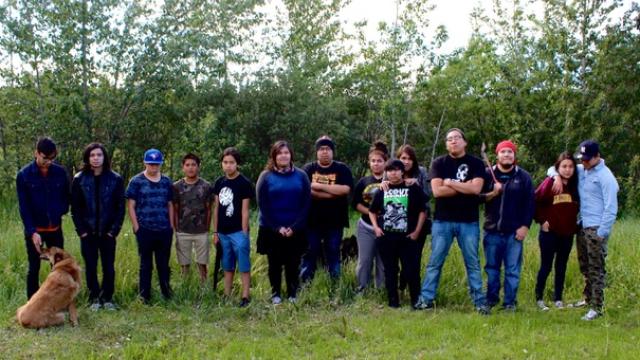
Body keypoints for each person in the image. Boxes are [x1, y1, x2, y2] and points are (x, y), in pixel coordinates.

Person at [415, 128, 490, 314]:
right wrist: (466, 187)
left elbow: (476, 189)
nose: (453, 141)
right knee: (435, 262)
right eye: (449, 139)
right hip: (443, 221)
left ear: (464, 142)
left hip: (469, 221)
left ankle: (479, 302)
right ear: (446, 144)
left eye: (457, 138)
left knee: (472, 263)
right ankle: (426, 299)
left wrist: (450, 183)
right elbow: (438, 192)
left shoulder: (476, 163)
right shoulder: (439, 163)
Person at [550, 140, 618, 320]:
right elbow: (553, 169)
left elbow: (611, 208)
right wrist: (557, 176)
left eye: (587, 159)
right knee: (585, 265)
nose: (584, 162)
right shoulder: (581, 171)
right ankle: (588, 299)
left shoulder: (606, 177)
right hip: (582, 225)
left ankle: (597, 306)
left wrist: (602, 233)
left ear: (597, 157)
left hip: (596, 227)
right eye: (582, 159)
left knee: (596, 267)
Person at [479, 140, 534, 311]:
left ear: (514, 156)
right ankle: (491, 300)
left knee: (512, 271)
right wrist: (493, 193)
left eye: (510, 152)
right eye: (503, 152)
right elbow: (478, 197)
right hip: (492, 231)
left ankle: (510, 303)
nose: (507, 155)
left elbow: (530, 204)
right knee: (492, 269)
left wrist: (525, 226)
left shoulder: (523, 177)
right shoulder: (487, 174)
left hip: (514, 232)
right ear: (497, 155)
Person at [71, 143, 125, 310]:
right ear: (87, 158)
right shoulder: (79, 179)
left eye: (99, 155)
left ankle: (107, 298)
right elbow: (75, 208)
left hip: (108, 232)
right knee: (91, 267)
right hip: (88, 233)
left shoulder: (115, 179)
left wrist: (114, 231)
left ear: (104, 157)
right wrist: (82, 231)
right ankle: (94, 298)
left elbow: (120, 207)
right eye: (92, 155)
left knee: (109, 267)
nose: (96, 158)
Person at [256, 141, 311, 304]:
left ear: (291, 155)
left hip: (296, 228)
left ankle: (293, 294)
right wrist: (277, 227)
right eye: (279, 153)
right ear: (274, 156)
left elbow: (306, 203)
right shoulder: (265, 177)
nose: (283, 156)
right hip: (271, 228)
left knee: (293, 263)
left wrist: (294, 227)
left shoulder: (301, 176)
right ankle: (276, 295)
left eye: (286, 152)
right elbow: (262, 205)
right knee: (274, 263)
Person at [17, 137, 70, 299]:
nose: (48, 162)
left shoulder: (60, 173)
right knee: (34, 267)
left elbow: (66, 197)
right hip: (35, 231)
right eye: (45, 158)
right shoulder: (24, 175)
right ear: (36, 153)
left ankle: (58, 300)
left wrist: (59, 211)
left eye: (52, 158)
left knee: (59, 267)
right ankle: (32, 304)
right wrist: (32, 231)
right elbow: (23, 207)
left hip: (55, 229)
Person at [369, 159, 426, 308]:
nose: (392, 173)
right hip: (387, 237)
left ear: (402, 171)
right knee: (390, 270)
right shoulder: (382, 189)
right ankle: (393, 302)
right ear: (386, 173)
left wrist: (417, 231)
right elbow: (372, 211)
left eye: (396, 170)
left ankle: (416, 300)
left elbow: (423, 211)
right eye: (389, 170)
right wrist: (376, 228)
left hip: (408, 237)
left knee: (411, 269)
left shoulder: (412, 187)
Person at [301, 136, 354, 282]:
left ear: (333, 151)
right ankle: (305, 286)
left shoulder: (342, 169)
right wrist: (332, 192)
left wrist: (318, 186)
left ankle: (335, 286)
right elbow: (305, 190)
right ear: (317, 152)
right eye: (321, 149)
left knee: (333, 253)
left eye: (328, 149)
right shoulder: (308, 168)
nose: (325, 152)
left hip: (335, 222)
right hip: (312, 222)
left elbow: (345, 190)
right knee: (309, 253)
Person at [126, 148, 174, 303]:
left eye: (157, 164)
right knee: (145, 264)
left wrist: (171, 226)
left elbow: (170, 204)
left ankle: (166, 293)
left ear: (161, 164)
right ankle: (144, 296)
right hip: (145, 229)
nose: (154, 167)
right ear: (145, 163)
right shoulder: (136, 181)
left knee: (163, 264)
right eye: (151, 164)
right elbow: (131, 205)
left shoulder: (166, 181)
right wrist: (136, 227)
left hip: (163, 229)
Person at [534, 152, 579, 311]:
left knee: (561, 266)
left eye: (570, 166)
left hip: (567, 233)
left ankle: (558, 298)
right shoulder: (550, 182)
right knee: (546, 266)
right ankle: (539, 298)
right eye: (564, 166)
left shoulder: (575, 185)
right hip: (549, 232)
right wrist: (541, 220)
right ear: (557, 167)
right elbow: (535, 200)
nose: (567, 170)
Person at [212, 147, 254, 307]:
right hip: (222, 232)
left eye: (231, 162)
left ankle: (245, 296)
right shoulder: (219, 182)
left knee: (243, 265)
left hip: (238, 231)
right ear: (222, 164)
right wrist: (215, 231)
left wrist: (244, 233)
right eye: (225, 162)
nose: (228, 165)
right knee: (227, 265)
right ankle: (226, 294)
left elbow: (245, 210)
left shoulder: (244, 183)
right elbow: (216, 208)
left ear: (237, 164)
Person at [352, 141, 388, 292]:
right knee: (364, 260)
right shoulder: (363, 182)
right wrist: (371, 212)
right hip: (366, 227)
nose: (376, 164)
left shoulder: (390, 181)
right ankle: (361, 288)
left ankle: (381, 290)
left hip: (385, 227)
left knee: (383, 261)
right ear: (369, 163)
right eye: (373, 161)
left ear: (385, 162)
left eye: (379, 161)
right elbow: (355, 204)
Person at [395, 144, 432, 288]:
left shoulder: (421, 172)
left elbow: (428, 196)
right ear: (398, 158)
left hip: (419, 222)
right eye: (403, 158)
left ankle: (414, 291)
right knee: (400, 258)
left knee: (415, 258)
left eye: (410, 158)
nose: (406, 161)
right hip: (397, 222)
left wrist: (416, 185)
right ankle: (400, 287)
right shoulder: (391, 171)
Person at [172, 153, 212, 284]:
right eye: (187, 165)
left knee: (202, 264)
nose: (191, 168)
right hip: (183, 230)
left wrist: (207, 228)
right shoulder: (176, 187)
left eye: (193, 165)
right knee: (184, 265)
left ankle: (203, 289)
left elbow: (209, 208)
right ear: (183, 167)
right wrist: (176, 228)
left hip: (201, 231)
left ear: (198, 167)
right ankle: (185, 287)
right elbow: (175, 208)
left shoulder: (206, 186)